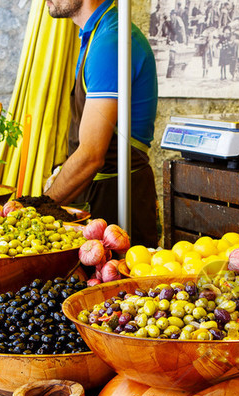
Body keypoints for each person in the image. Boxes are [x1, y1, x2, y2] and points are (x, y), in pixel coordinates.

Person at [44, 0, 159, 247]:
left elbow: (90, 156)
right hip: (99, 194)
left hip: (119, 202)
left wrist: (38, 209)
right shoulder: (96, 34)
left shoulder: (110, 42)